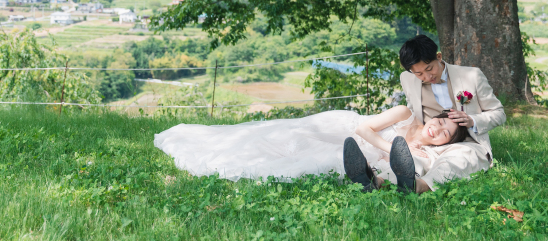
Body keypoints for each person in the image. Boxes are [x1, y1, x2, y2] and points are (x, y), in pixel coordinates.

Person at [154, 101, 463, 184]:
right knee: (288, 138)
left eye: (445, 133)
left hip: (356, 147)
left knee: (316, 161)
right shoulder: (405, 113)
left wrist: (399, 157)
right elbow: (364, 128)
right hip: (343, 128)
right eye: (439, 122)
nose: (437, 130)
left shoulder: (423, 152)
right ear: (434, 116)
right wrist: (393, 149)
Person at [385, 34, 506, 193]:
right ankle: (378, 181)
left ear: (439, 57)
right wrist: (415, 139)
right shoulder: (407, 79)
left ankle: (420, 186)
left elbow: (499, 113)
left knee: (456, 161)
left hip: (468, 142)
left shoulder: (472, 75)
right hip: (431, 141)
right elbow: (413, 110)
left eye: (430, 69)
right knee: (414, 158)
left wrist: (472, 121)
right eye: (419, 74)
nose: (427, 77)